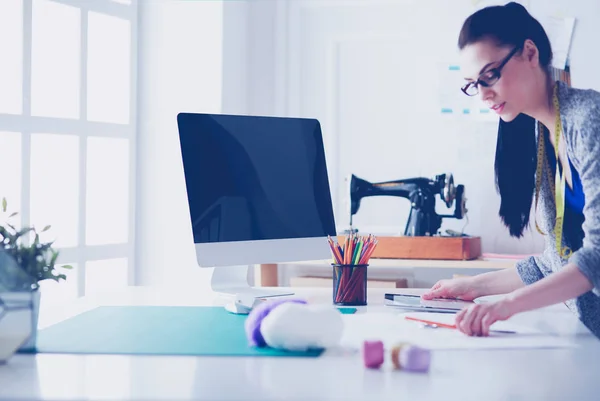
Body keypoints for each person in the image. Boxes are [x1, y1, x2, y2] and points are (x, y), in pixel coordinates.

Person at [421, 2, 600, 338]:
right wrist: (474, 287)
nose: (484, 94)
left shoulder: (589, 120)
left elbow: (597, 258)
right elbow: (556, 260)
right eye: (474, 84)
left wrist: (507, 305)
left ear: (530, 53)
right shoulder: (544, 134)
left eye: (490, 75)